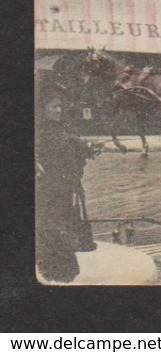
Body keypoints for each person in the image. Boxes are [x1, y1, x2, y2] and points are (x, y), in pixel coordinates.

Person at [36, 81, 96, 284]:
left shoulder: (60, 127)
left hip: (64, 186)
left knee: (63, 223)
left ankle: (65, 270)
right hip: (47, 187)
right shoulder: (40, 131)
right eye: (53, 107)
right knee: (51, 226)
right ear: (43, 110)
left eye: (59, 106)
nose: (58, 110)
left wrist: (86, 150)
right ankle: (53, 270)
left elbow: (71, 148)